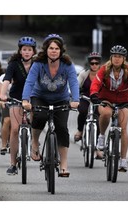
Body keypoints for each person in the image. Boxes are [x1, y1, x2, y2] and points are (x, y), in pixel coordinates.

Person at [22, 33, 80, 177]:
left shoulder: (67, 65)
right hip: (40, 97)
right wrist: (25, 100)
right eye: (51, 48)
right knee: (40, 117)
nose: (53, 51)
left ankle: (64, 164)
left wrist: (76, 100)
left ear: (61, 51)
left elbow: (73, 82)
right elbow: (29, 82)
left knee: (61, 128)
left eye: (56, 48)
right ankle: (35, 142)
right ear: (46, 50)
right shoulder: (38, 64)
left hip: (61, 99)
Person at [90, 45, 128, 172]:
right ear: (111, 57)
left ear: (124, 59)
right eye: (115, 56)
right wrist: (94, 94)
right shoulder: (104, 69)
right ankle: (102, 136)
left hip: (123, 102)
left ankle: (123, 160)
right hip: (106, 100)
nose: (117, 59)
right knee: (106, 114)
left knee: (123, 128)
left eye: (119, 57)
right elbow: (96, 83)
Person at [0, 36, 37, 175]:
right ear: (20, 51)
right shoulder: (14, 64)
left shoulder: (38, 64)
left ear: (33, 51)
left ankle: (35, 143)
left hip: (34, 98)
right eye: (24, 49)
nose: (27, 52)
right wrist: (3, 95)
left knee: (36, 125)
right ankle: (13, 164)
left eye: (29, 50)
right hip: (16, 97)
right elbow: (7, 80)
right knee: (15, 129)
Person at [74, 52, 102, 142]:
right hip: (85, 98)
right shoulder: (84, 74)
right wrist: (73, 95)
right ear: (89, 64)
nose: (94, 65)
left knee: (98, 119)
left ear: (99, 64)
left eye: (96, 63)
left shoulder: (104, 75)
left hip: (99, 99)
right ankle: (80, 130)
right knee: (82, 111)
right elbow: (76, 85)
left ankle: (97, 146)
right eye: (92, 63)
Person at [0, 73, 11, 155]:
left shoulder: (24, 73)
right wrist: (0, 100)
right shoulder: (3, 77)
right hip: (7, 102)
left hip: (21, 102)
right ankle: (4, 145)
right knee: (7, 120)